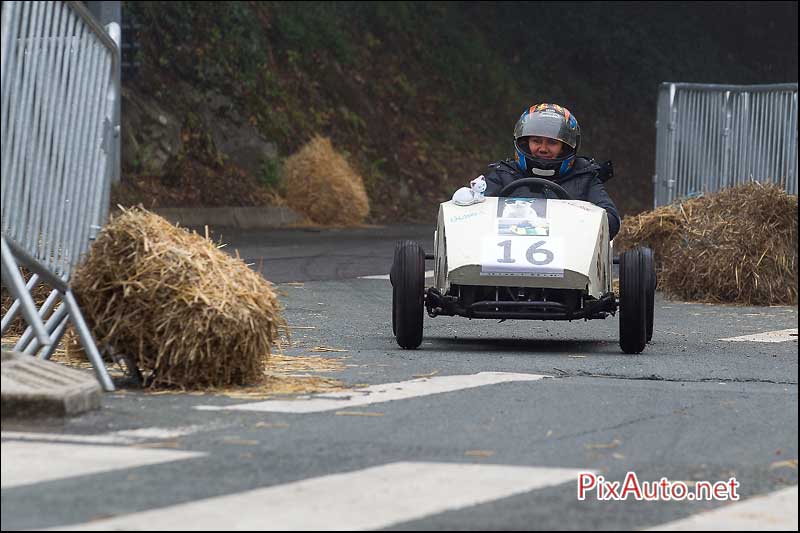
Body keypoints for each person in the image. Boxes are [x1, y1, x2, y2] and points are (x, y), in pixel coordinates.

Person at [482, 103, 621, 239]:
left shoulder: (585, 178)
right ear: (525, 142)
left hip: (572, 255)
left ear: (565, 147)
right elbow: (475, 213)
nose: (543, 148)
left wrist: (581, 220)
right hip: (504, 251)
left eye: (552, 143)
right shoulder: (504, 174)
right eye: (536, 141)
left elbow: (612, 220)